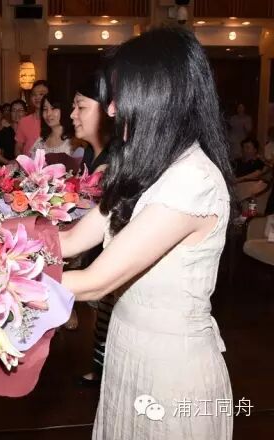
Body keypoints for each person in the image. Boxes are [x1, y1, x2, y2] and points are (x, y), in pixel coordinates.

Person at [60, 27, 234, 439]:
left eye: (121, 95)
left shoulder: (193, 180)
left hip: (171, 368)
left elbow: (95, 281)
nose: (112, 109)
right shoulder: (144, 170)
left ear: (159, 97)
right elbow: (69, 241)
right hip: (128, 348)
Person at [69, 71, 115, 382]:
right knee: (103, 312)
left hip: (107, 249)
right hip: (90, 243)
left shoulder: (116, 161)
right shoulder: (90, 153)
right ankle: (100, 367)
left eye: (81, 107)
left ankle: (103, 369)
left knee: (107, 307)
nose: (73, 114)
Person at [29, 92, 72, 158]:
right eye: (45, 109)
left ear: (64, 109)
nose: (48, 113)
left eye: (53, 108)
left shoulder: (72, 142)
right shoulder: (41, 141)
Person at [15, 79, 49, 156]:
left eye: (41, 94)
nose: (37, 97)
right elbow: (18, 148)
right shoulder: (24, 121)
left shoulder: (53, 120)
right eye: (34, 94)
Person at [232, 137, 268, 202]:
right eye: (243, 147)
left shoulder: (258, 162)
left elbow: (256, 174)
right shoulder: (237, 161)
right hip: (235, 189)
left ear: (255, 150)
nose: (244, 150)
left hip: (249, 189)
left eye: (247, 147)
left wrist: (239, 180)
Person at [0, 99, 26, 164]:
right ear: (10, 113)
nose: (17, 113)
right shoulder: (4, 132)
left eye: (20, 110)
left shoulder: (29, 131)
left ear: (25, 113)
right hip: (10, 167)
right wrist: (8, 162)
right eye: (14, 110)